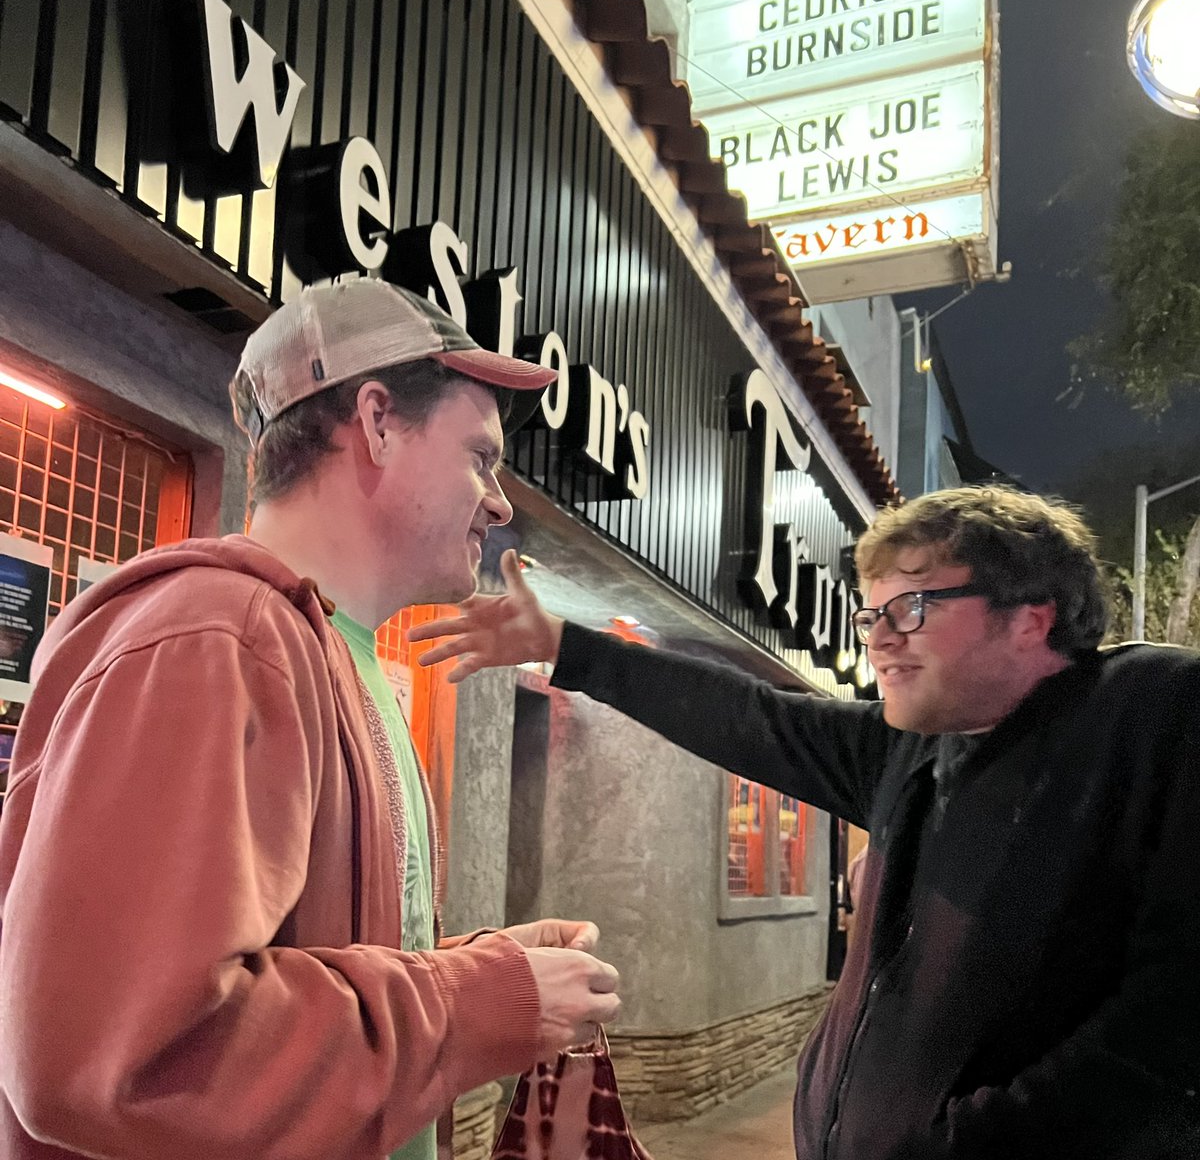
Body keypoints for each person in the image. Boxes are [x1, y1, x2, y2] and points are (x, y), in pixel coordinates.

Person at [0, 278, 621, 1160]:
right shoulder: (217, 635)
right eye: (480, 456)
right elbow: (124, 1059)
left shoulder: (331, 647)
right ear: (375, 421)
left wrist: (485, 965)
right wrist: (477, 1001)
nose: (499, 500)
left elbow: (300, 955)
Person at [410, 485, 1200, 1160]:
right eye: (874, 613)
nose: (882, 638)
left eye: (915, 606)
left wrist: (961, 1145)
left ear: (1031, 617)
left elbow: (1171, 1020)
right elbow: (753, 717)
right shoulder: (914, 752)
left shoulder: (1149, 715)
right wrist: (561, 645)